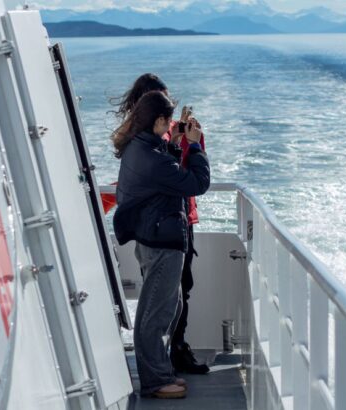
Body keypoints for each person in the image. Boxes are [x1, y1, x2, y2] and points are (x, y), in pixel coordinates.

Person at [107, 73, 210, 374]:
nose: (171, 118)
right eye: (166, 113)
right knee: (158, 304)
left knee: (175, 297)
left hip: (168, 225)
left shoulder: (142, 142)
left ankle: (167, 358)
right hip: (161, 230)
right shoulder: (147, 149)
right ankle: (157, 371)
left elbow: (167, 171)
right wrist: (195, 146)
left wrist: (177, 143)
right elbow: (191, 180)